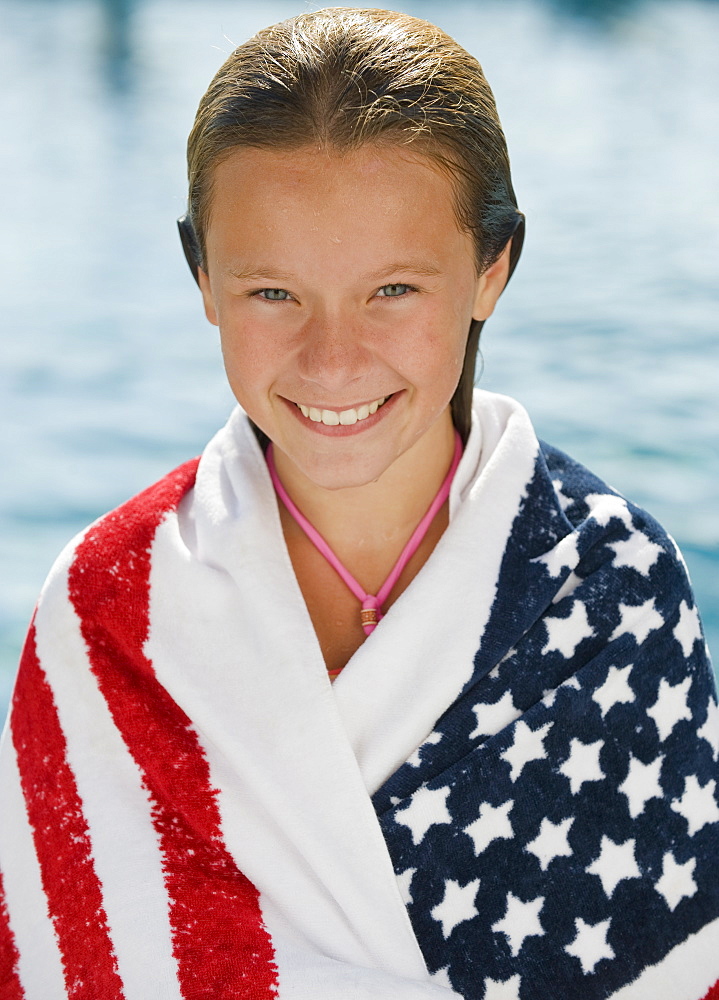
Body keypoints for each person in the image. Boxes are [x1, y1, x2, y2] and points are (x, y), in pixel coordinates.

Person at [1, 8, 717, 999]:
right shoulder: (105, 607)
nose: (331, 360)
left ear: (491, 269)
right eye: (271, 294)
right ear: (202, 276)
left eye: (391, 289)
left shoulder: (613, 588)